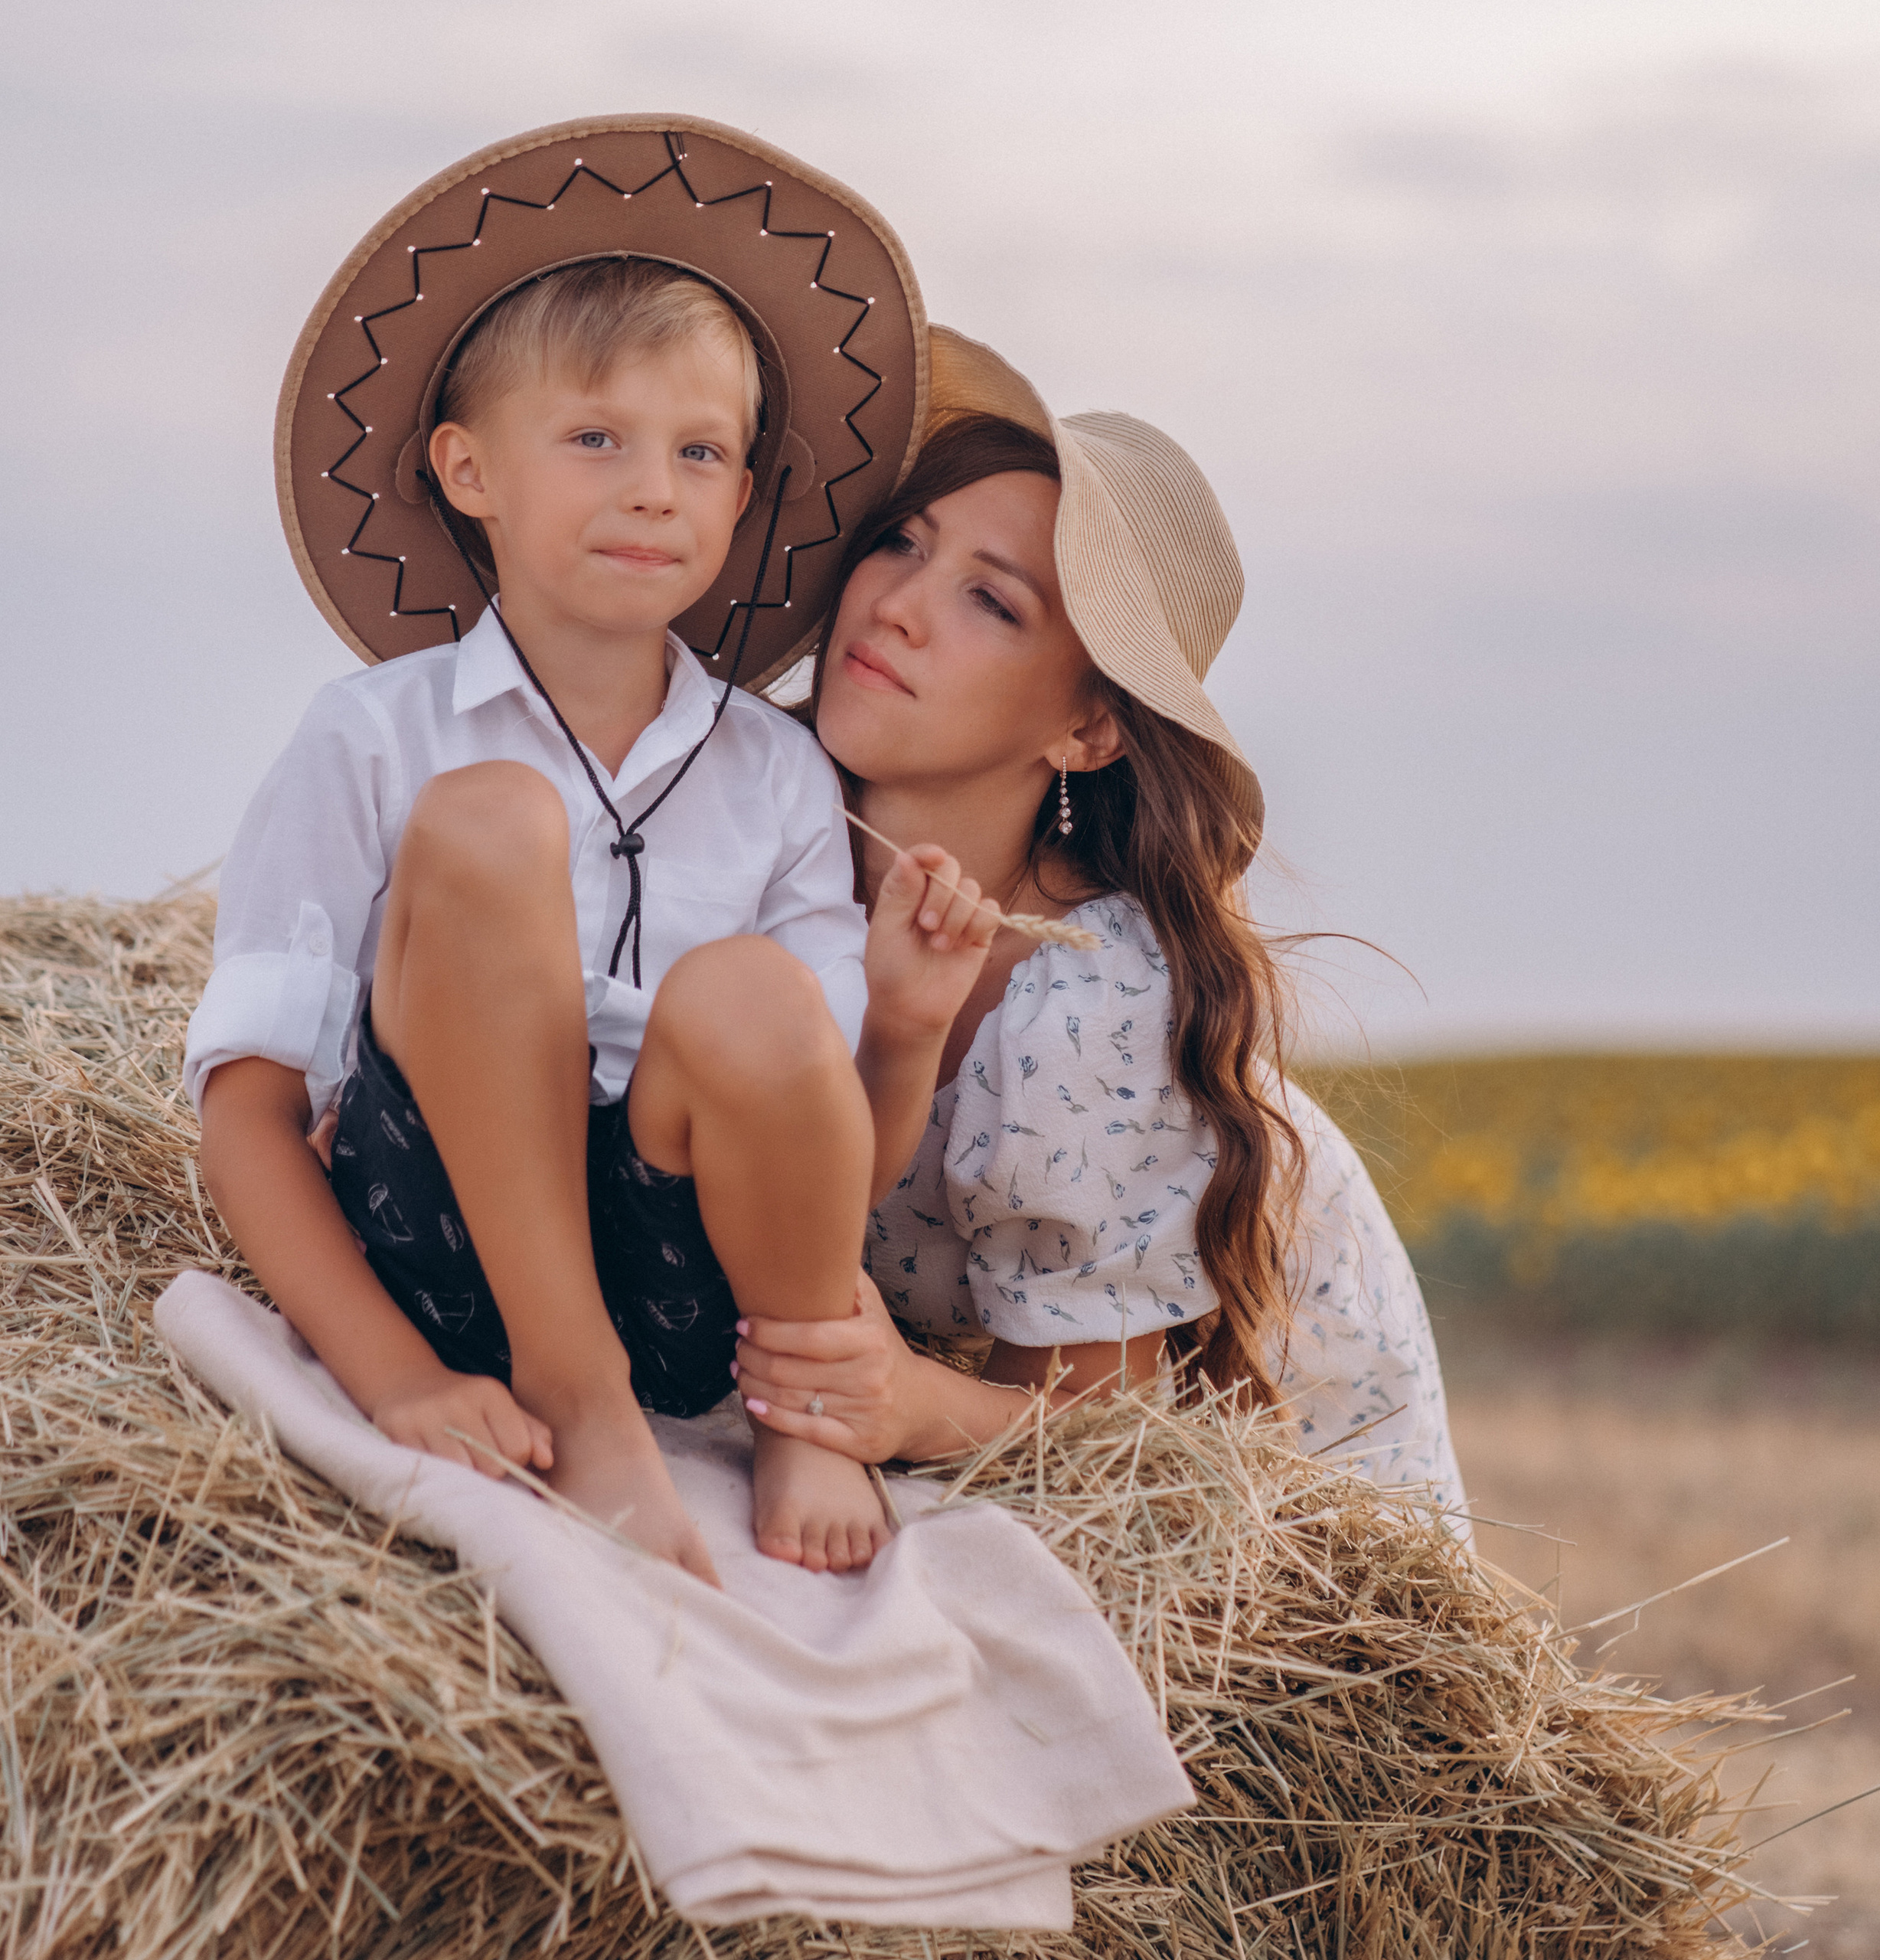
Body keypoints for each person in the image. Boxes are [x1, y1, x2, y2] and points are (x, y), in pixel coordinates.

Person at [185, 119, 1007, 1586]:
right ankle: (577, 1401)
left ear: (744, 498)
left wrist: (902, 1031)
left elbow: (830, 1149)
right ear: (467, 470)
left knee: (753, 991)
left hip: (680, 1285)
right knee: (498, 815)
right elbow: (248, 1114)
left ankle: (795, 1408)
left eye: (701, 452)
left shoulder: (773, 774)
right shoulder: (376, 735)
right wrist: (390, 1378)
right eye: (595, 439)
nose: (654, 490)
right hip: (435, 1244)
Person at [732, 330, 1467, 1514]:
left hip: (1277, 1536)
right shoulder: (746, 838)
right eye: (902, 542)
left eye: (991, 599)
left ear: (1086, 733)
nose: (901, 606)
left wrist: (911, 1405)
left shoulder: (1089, 1011)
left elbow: (1113, 1455)